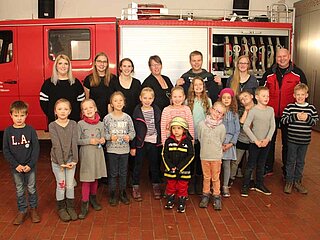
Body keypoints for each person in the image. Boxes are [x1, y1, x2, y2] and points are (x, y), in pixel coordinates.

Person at [260, 48, 307, 176]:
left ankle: (287, 168)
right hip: (271, 113)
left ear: (289, 56)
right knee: (269, 140)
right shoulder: (269, 73)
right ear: (276, 58)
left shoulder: (298, 74)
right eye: (279, 57)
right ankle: (268, 166)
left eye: (284, 56)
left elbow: (304, 93)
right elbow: (261, 91)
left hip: (290, 114)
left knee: (288, 142)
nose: (282, 59)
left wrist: (302, 111)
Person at [3, 101, 40, 225]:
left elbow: (36, 149)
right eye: (16, 115)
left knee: (31, 188)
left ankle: (33, 209)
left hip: (30, 166)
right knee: (19, 189)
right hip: (16, 167)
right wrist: (16, 165)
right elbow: (6, 150)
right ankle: (22, 210)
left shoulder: (30, 130)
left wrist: (30, 164)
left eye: (22, 115)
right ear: (11, 115)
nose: (19, 118)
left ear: (26, 115)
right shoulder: (8, 132)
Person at [281, 83, 319, 194]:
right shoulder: (290, 107)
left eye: (302, 94)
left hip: (304, 141)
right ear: (294, 95)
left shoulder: (311, 108)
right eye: (298, 94)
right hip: (292, 140)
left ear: (306, 95)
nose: (300, 97)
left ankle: (297, 181)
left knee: (300, 162)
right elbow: (283, 121)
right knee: (290, 161)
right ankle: (289, 181)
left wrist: (307, 118)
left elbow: (315, 122)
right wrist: (295, 117)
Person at [241, 87, 275, 197]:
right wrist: (255, 141)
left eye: (268, 96)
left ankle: (259, 184)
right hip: (254, 143)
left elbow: (273, 126)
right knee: (251, 165)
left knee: (261, 164)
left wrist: (267, 139)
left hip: (266, 143)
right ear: (256, 97)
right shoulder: (253, 110)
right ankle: (245, 186)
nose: (266, 98)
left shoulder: (270, 110)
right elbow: (246, 126)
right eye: (264, 96)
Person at [103, 91, 135, 206]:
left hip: (124, 150)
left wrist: (129, 137)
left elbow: (132, 132)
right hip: (112, 150)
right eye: (115, 101)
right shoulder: (107, 118)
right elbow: (103, 134)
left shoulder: (127, 118)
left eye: (120, 100)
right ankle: (112, 193)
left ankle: (122, 193)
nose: (118, 103)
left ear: (124, 103)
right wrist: (110, 137)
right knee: (113, 173)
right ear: (111, 103)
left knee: (123, 173)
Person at [49, 98, 78, 222]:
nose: (62, 111)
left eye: (66, 109)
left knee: (70, 184)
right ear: (55, 111)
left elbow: (74, 143)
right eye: (60, 109)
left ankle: (70, 207)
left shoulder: (73, 124)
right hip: (58, 161)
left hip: (71, 160)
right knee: (61, 185)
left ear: (70, 111)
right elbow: (56, 145)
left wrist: (75, 160)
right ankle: (61, 208)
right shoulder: (52, 125)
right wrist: (61, 163)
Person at [131, 87, 162, 201]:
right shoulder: (137, 112)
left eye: (150, 98)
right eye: (145, 98)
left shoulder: (157, 110)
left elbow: (160, 126)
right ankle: (135, 186)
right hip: (141, 142)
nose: (147, 100)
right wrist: (133, 146)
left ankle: (156, 185)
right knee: (137, 166)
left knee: (154, 165)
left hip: (153, 141)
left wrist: (161, 140)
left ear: (153, 99)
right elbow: (133, 130)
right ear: (140, 98)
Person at [77, 99, 107, 219]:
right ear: (82, 112)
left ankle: (93, 199)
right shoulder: (80, 124)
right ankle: (84, 204)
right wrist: (89, 141)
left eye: (90, 108)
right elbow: (77, 140)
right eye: (85, 109)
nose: (88, 110)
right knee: (86, 179)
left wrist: (103, 140)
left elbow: (103, 136)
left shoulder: (101, 124)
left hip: (97, 154)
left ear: (95, 109)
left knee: (95, 177)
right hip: (86, 155)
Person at [40, 54, 85, 124]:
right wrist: (52, 115)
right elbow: (43, 103)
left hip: (73, 121)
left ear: (69, 66)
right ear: (56, 66)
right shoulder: (48, 83)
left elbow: (81, 102)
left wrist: (75, 115)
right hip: (54, 121)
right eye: (60, 63)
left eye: (66, 64)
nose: (63, 66)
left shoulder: (76, 83)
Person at [198, 101, 226, 210]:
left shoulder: (222, 127)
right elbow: (200, 138)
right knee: (206, 177)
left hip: (216, 156)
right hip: (205, 155)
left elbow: (221, 139)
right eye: (216, 110)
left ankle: (216, 196)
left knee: (215, 177)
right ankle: (205, 194)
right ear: (211, 109)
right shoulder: (201, 124)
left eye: (221, 113)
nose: (217, 114)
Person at [186, 76, 212, 195]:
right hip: (191, 135)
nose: (198, 87)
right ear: (192, 87)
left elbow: (210, 118)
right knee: (191, 158)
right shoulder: (188, 101)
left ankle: (200, 182)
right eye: (195, 85)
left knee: (201, 159)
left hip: (203, 136)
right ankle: (191, 183)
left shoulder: (208, 101)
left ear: (203, 87)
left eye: (200, 85)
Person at [162, 117, 194, 213]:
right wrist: (170, 166)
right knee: (171, 185)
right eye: (174, 128)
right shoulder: (168, 141)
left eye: (179, 128)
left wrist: (180, 167)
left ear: (184, 130)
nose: (176, 130)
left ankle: (181, 201)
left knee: (182, 186)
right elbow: (164, 155)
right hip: (171, 169)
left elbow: (191, 156)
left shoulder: (188, 142)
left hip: (183, 170)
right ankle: (170, 199)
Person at [229, 90, 255, 187]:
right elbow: (241, 124)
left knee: (251, 161)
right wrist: (246, 111)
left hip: (253, 140)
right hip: (241, 139)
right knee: (236, 161)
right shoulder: (240, 111)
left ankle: (250, 179)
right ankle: (231, 178)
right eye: (241, 99)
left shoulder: (258, 108)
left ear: (252, 96)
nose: (244, 99)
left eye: (245, 96)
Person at [218, 88, 240, 198]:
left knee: (227, 165)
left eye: (229, 98)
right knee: (217, 166)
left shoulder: (234, 114)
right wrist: (219, 143)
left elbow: (237, 130)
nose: (226, 100)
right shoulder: (217, 113)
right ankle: (216, 186)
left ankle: (225, 185)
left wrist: (231, 143)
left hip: (229, 143)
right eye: (224, 97)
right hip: (218, 143)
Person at [83, 52, 117, 120]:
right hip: (94, 116)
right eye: (99, 61)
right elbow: (87, 100)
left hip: (110, 115)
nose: (102, 64)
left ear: (107, 64)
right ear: (95, 63)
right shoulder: (88, 79)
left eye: (104, 62)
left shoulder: (113, 78)